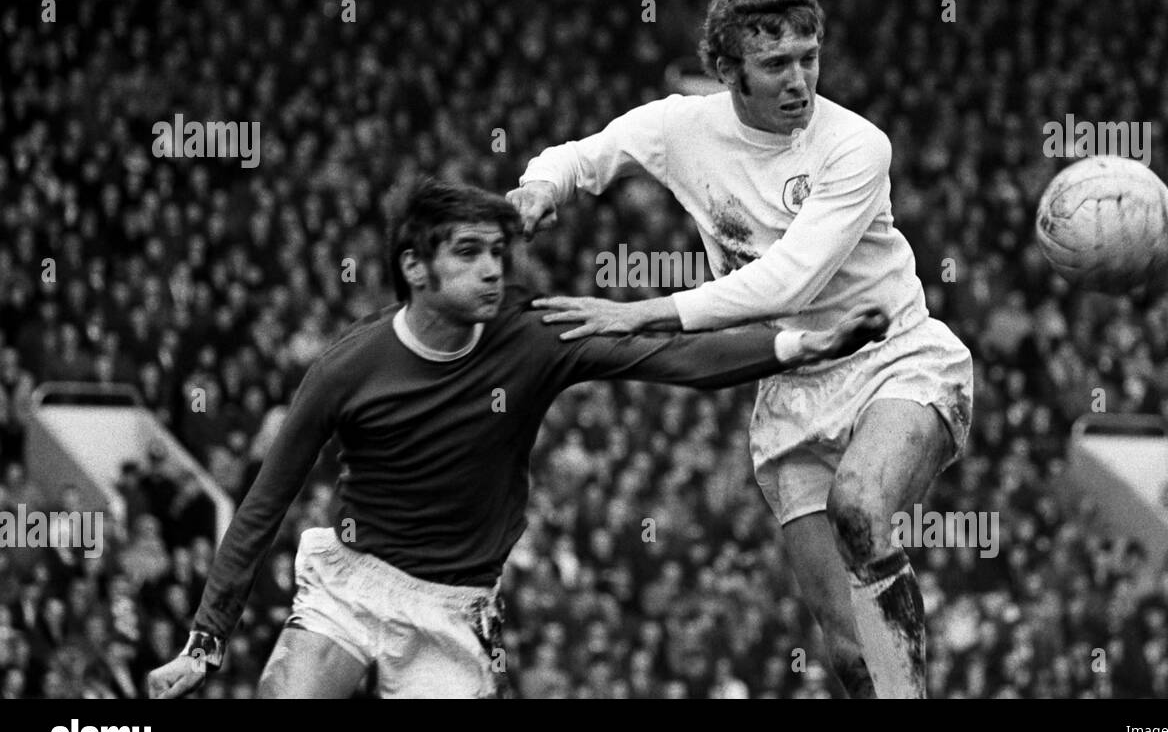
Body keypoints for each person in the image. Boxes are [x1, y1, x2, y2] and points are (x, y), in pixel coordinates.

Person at [148, 178, 888, 699]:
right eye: (468, 253)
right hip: (351, 583)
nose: (493, 269)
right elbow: (262, 507)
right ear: (415, 267)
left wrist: (799, 345)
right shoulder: (348, 368)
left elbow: (671, 358)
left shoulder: (535, 336)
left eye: (498, 252)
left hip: (454, 609)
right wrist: (206, 640)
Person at [510, 0, 974, 698]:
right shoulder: (681, 128)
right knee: (851, 658)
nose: (800, 81)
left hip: (894, 357)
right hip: (789, 388)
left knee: (861, 505)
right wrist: (539, 189)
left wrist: (645, 312)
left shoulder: (855, 145)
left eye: (810, 57)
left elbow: (793, 281)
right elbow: (584, 155)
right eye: (775, 64)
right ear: (725, 70)